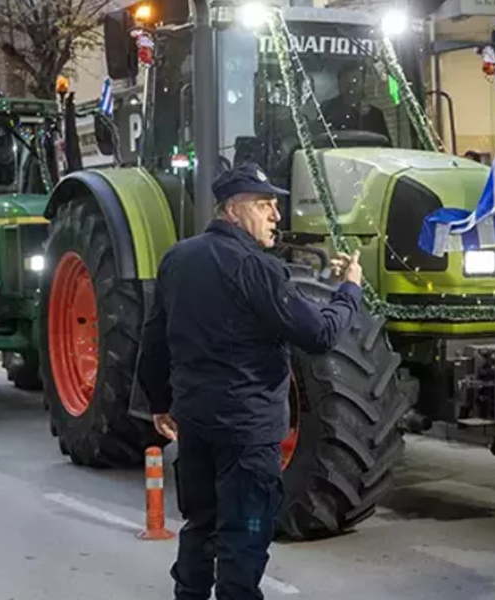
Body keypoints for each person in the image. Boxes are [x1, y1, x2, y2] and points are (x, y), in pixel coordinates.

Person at [137, 162, 364, 600]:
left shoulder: (178, 259)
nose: (276, 216)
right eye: (264, 205)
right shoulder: (257, 269)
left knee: (200, 523)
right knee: (245, 533)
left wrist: (159, 402)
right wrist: (349, 291)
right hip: (248, 431)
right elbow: (319, 334)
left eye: (275, 205)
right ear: (233, 209)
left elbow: (154, 339)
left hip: (195, 424)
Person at [320, 65, 389, 140]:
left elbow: (384, 143)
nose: (351, 87)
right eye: (346, 82)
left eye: (355, 81)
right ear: (339, 84)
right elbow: (318, 139)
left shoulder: (375, 114)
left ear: (363, 84)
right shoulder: (327, 109)